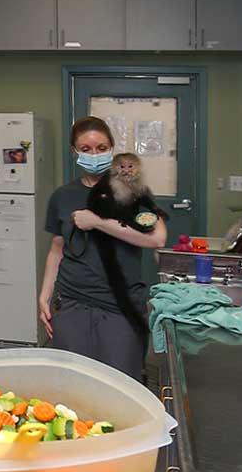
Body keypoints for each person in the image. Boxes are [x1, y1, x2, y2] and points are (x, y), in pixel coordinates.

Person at [39, 116, 167, 381]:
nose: (94, 154)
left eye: (101, 148)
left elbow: (157, 239)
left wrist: (98, 222)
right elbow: (57, 248)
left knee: (120, 387)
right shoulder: (62, 196)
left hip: (119, 305)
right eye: (85, 149)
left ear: (111, 149)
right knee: (72, 386)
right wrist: (45, 294)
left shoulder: (131, 189)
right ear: (74, 151)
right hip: (71, 301)